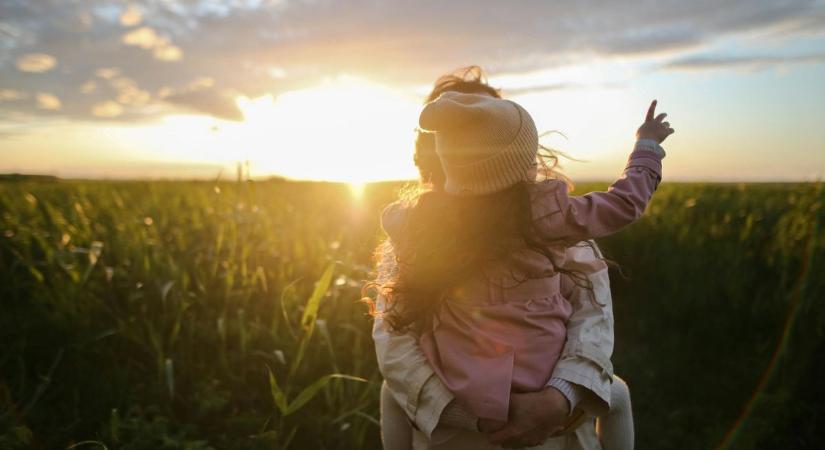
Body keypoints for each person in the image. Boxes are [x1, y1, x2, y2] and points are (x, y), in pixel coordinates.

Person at [368, 67, 672, 449]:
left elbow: (592, 319)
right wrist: (647, 148)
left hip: (518, 414)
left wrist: (557, 399)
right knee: (620, 394)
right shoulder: (554, 219)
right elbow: (395, 346)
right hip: (483, 417)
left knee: (389, 395)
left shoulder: (418, 228)